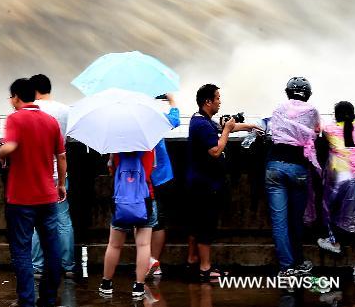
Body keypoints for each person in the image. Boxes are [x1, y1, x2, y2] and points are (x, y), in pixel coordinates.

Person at [0, 78, 65, 307]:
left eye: (11, 97)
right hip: (48, 195)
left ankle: (26, 300)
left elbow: (10, 146)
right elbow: (61, 156)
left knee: (22, 250)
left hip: (21, 197)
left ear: (16, 97)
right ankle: (47, 298)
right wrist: (61, 184)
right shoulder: (51, 121)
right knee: (52, 249)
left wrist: (1, 152)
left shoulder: (15, 118)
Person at [186, 84, 254, 282]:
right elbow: (215, 151)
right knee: (205, 226)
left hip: (198, 183)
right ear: (208, 101)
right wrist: (226, 131)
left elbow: (223, 129)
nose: (220, 102)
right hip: (204, 184)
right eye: (217, 98)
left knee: (196, 225)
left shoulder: (200, 119)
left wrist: (249, 127)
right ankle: (205, 269)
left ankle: (192, 261)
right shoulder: (202, 125)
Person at [265, 77, 320, 276]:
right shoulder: (312, 111)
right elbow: (315, 133)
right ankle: (299, 261)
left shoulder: (279, 109)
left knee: (279, 221)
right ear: (308, 94)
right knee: (296, 219)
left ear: (287, 92)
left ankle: (286, 267)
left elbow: (271, 131)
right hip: (298, 169)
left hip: (274, 167)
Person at [317, 101, 355, 282]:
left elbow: (316, 129)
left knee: (330, 207)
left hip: (341, 177)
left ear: (336, 115)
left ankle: (334, 241)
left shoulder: (329, 129)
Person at [28, 74, 74, 279]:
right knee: (63, 220)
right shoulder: (65, 110)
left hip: (37, 174)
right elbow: (67, 140)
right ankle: (68, 265)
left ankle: (37, 265)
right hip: (60, 172)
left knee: (36, 221)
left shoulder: (29, 110)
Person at [98, 149, 156, 299]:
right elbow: (153, 168)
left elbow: (111, 169)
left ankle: (106, 284)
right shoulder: (149, 144)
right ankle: (138, 286)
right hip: (145, 199)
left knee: (114, 244)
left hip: (122, 200)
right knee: (143, 245)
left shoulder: (116, 146)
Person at [148, 94, 181, 278]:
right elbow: (175, 119)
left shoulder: (131, 125)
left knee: (144, 222)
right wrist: (171, 101)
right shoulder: (156, 120)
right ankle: (154, 261)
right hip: (161, 177)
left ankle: (146, 261)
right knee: (159, 221)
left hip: (140, 180)